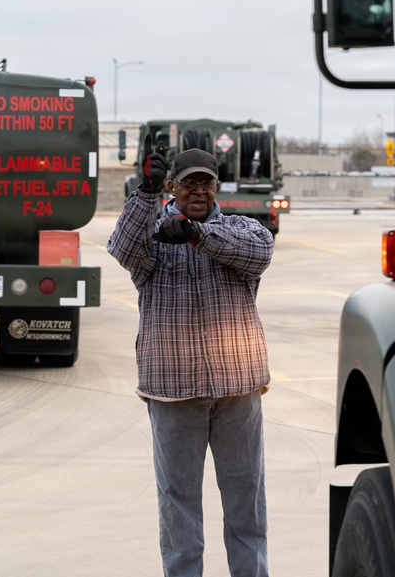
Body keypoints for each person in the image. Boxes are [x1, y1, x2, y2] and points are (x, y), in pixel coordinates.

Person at [107, 145, 274, 577]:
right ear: (173, 188)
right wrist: (145, 193)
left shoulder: (242, 228)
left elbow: (259, 255)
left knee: (246, 503)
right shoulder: (152, 241)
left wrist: (199, 235)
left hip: (237, 390)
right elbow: (121, 247)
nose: (197, 191)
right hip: (173, 391)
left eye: (205, 183)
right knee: (178, 505)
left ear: (216, 188)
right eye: (187, 184)